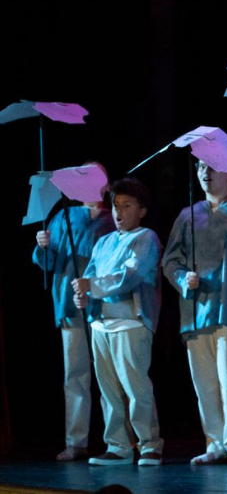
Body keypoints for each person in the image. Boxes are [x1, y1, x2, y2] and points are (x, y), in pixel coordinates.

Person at [161, 159, 227, 465]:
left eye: (212, 166)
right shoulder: (188, 216)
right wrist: (183, 278)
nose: (206, 173)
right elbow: (171, 261)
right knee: (205, 383)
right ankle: (214, 442)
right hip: (196, 311)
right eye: (200, 167)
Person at [71, 178, 164, 466]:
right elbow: (89, 276)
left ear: (142, 210)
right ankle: (118, 445)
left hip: (130, 322)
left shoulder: (146, 237)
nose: (119, 212)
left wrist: (92, 286)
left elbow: (130, 276)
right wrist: (82, 297)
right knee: (108, 390)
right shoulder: (104, 241)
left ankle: (149, 443)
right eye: (115, 206)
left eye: (127, 205)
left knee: (136, 387)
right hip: (101, 324)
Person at [33, 163, 114, 462]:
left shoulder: (113, 217)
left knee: (109, 375)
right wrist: (43, 247)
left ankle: (117, 440)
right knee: (75, 374)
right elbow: (48, 262)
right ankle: (76, 441)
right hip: (70, 305)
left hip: (105, 306)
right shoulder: (64, 216)